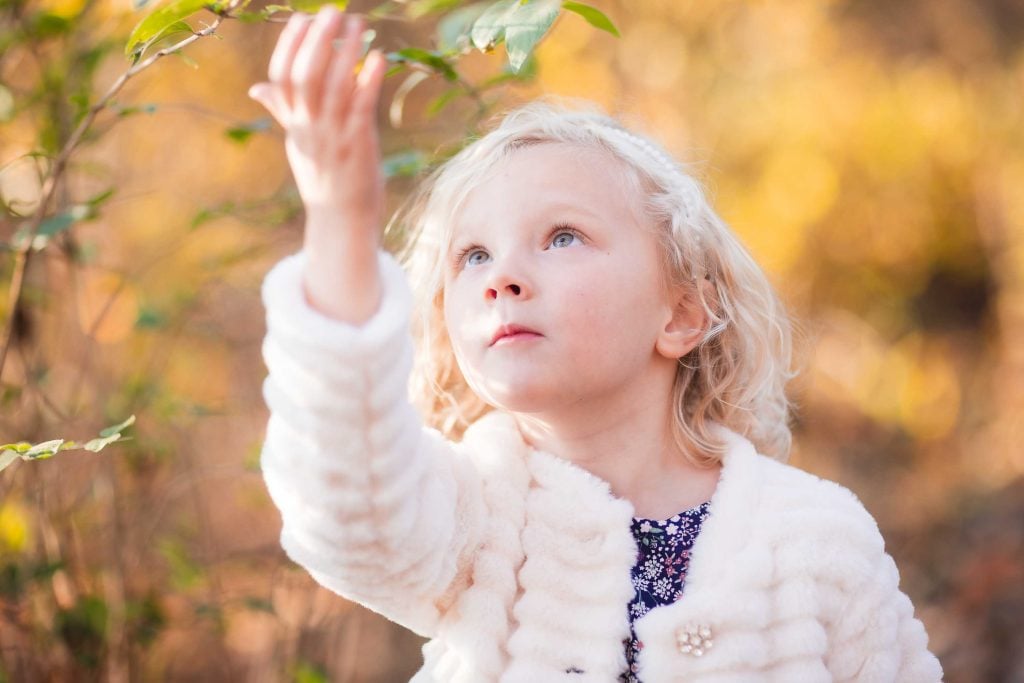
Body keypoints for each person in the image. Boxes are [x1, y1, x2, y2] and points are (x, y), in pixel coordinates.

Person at [250, 7, 944, 682]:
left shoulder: (820, 537)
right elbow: (350, 513)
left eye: (561, 237)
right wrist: (340, 222)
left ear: (680, 312)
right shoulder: (475, 515)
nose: (503, 278)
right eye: (473, 256)